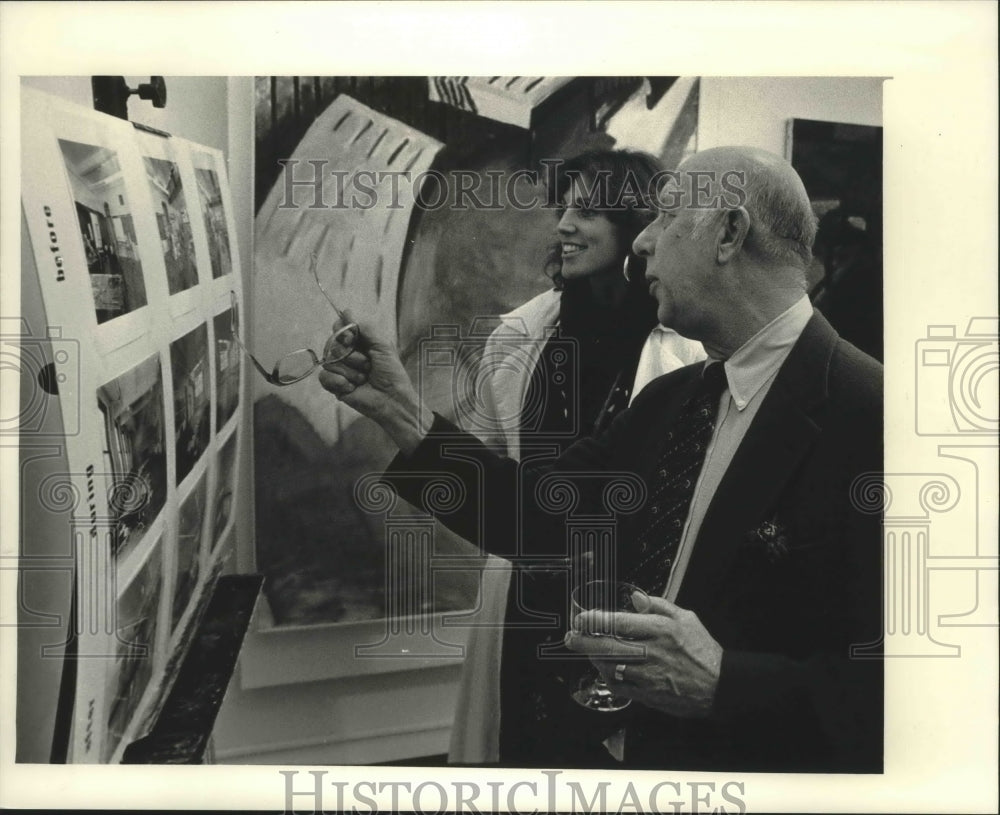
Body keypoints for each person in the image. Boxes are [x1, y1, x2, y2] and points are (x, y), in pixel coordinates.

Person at [319, 145, 883, 772]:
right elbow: (539, 519)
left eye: (666, 218)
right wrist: (399, 409)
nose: (642, 242)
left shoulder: (874, 417)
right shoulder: (678, 398)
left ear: (729, 233)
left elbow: (911, 689)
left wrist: (727, 681)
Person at [462, 149, 705, 765]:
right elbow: (494, 459)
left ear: (636, 226)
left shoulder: (686, 351)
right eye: (565, 207)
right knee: (518, 748)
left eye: (589, 210)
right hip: (527, 583)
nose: (565, 224)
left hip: (627, 590)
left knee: (607, 764)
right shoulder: (521, 334)